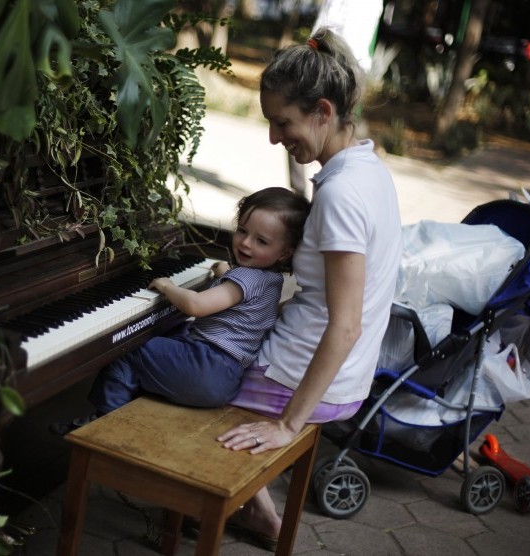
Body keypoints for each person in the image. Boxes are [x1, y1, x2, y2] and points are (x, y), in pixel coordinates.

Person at [214, 28, 403, 550]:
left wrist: (289, 424)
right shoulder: (369, 169)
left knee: (190, 380)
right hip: (344, 374)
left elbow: (345, 323)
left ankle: (240, 510)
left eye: (283, 123)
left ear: (323, 110)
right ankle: (257, 513)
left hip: (299, 376)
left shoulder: (341, 192)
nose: (276, 138)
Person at [51, 187, 311, 435]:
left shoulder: (247, 277)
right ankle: (130, 405)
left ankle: (102, 422)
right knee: (170, 333)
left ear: (284, 253)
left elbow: (195, 305)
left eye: (261, 241)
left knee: (126, 346)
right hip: (225, 378)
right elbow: (237, 294)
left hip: (205, 367)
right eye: (242, 230)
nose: (245, 243)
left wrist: (168, 287)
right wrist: (224, 273)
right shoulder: (271, 281)